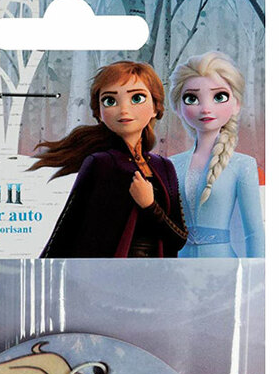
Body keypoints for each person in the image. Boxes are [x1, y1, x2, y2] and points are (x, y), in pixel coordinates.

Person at [31, 61, 187, 258]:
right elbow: (69, 228)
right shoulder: (101, 163)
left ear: (156, 107)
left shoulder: (164, 166)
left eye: (137, 98)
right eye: (110, 101)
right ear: (99, 113)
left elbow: (179, 239)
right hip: (111, 271)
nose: (124, 109)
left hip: (157, 271)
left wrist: (149, 205)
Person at [168, 51, 265, 258]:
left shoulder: (242, 165)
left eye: (219, 97)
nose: (206, 108)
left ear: (236, 104)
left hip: (222, 267)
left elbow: (254, 233)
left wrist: (257, 275)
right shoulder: (171, 164)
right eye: (191, 98)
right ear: (177, 106)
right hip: (178, 267)